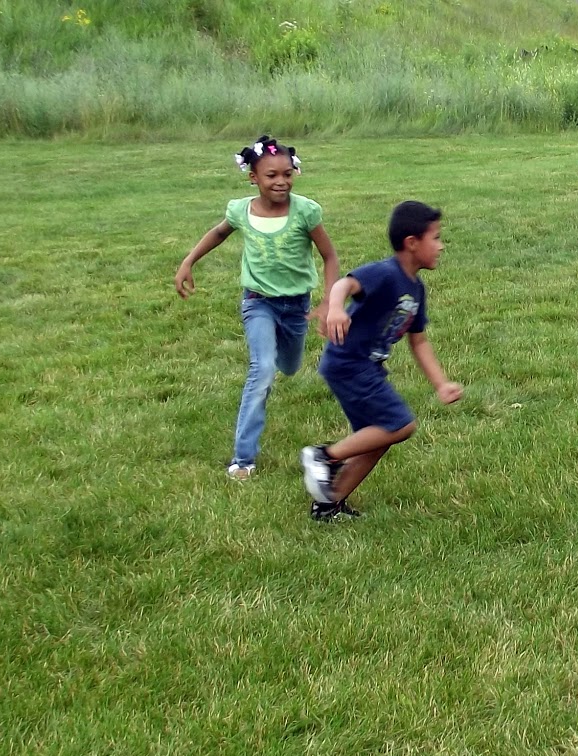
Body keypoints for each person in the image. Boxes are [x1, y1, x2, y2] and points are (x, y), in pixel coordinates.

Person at [174, 135, 340, 481]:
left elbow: (329, 255)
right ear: (253, 177)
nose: (280, 182)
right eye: (271, 176)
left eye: (287, 174)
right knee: (262, 370)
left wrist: (328, 301)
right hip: (258, 302)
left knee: (289, 366)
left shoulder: (306, 211)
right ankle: (243, 459)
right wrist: (189, 261)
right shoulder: (240, 210)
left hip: (296, 306)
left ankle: (279, 356)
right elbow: (218, 233)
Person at [299, 201, 462, 522]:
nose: (441, 246)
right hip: (349, 363)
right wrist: (334, 308)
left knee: (374, 440)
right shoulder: (386, 273)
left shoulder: (416, 289)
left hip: (365, 366)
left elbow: (419, 340)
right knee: (400, 425)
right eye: (436, 238)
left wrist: (441, 384)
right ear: (412, 243)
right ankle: (323, 457)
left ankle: (328, 505)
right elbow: (346, 284)